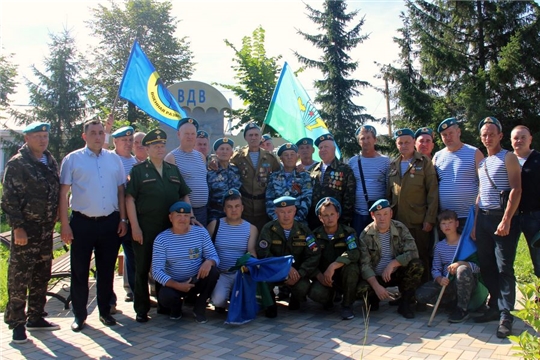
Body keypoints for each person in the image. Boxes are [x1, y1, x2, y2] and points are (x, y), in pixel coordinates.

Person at [59, 119, 128, 332]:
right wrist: (64, 224)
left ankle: (105, 312)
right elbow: (63, 194)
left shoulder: (114, 160)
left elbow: (120, 191)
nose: (98, 136)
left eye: (101, 133)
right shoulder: (72, 159)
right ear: (85, 136)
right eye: (93, 133)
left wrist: (123, 219)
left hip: (109, 222)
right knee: (79, 271)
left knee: (106, 271)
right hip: (82, 223)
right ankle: (80, 315)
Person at [2, 122, 60, 343]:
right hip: (26, 230)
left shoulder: (49, 160)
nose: (43, 140)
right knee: (20, 277)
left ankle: (36, 316)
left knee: (41, 274)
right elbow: (9, 199)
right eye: (38, 136)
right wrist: (17, 227)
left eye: (45, 136)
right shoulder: (18, 164)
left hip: (45, 229)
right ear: (27, 139)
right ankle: (17, 323)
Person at [126, 129, 192, 323]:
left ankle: (165, 305)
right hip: (146, 228)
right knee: (142, 268)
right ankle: (141, 308)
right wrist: (135, 227)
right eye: (155, 146)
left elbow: (184, 194)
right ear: (147, 149)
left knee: (167, 267)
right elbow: (129, 199)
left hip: (169, 229)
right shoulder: (138, 171)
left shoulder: (173, 169)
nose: (160, 149)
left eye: (162, 145)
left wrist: (189, 216)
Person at [472, 116, 521, 339]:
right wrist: (475, 225)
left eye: (492, 134)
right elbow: (481, 194)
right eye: (484, 134)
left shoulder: (508, 157)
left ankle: (506, 315)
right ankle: (494, 306)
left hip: (502, 219)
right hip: (483, 219)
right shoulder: (482, 162)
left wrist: (507, 219)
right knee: (487, 264)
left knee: (504, 267)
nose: (488, 138)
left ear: (501, 135)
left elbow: (516, 190)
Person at [152, 201, 220, 323]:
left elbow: (214, 256)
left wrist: (209, 262)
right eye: (178, 215)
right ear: (170, 217)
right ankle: (176, 309)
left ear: (190, 217)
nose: (182, 219)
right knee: (166, 297)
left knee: (213, 272)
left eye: (186, 215)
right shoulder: (162, 239)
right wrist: (177, 285)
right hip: (174, 284)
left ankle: (199, 308)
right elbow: (156, 271)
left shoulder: (200, 232)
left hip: (196, 280)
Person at [357, 199, 424, 319]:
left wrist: (394, 263)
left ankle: (405, 303)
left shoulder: (400, 228)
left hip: (396, 272)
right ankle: (376, 298)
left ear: (391, 214)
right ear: (372, 215)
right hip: (377, 276)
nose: (382, 218)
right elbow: (364, 265)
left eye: (385, 214)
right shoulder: (365, 235)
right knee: (362, 290)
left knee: (416, 265)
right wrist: (377, 287)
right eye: (378, 215)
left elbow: (413, 252)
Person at [388, 128, 438, 283]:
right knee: (400, 257)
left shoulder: (424, 162)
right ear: (397, 145)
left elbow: (432, 192)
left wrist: (429, 219)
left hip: (418, 221)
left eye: (407, 142)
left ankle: (422, 296)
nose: (404, 146)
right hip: (398, 221)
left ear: (413, 143)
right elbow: (389, 194)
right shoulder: (393, 165)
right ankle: (404, 296)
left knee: (421, 256)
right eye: (400, 143)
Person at [256, 196, 320, 317]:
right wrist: (285, 268)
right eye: (282, 212)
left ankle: (296, 297)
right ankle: (270, 302)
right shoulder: (268, 229)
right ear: (276, 212)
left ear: (295, 211)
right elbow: (263, 253)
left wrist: (300, 273)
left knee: (303, 287)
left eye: (289, 211)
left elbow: (313, 255)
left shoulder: (303, 230)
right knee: (262, 282)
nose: (286, 215)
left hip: (296, 273)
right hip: (274, 271)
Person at [416, 210, 481, 323]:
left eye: (450, 222)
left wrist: (460, 264)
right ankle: (450, 302)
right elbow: (435, 268)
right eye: (443, 223)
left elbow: (477, 268)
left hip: (466, 282)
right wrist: (439, 278)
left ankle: (462, 309)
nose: (447, 226)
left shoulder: (467, 244)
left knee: (462, 270)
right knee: (420, 295)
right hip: (447, 283)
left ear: (456, 224)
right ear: (440, 227)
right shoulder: (439, 247)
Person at [309, 197, 360, 320]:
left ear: (338, 215)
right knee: (316, 293)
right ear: (320, 218)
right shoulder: (314, 236)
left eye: (332, 214)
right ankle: (329, 298)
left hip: (344, 275)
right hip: (325, 277)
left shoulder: (348, 232)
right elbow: (309, 259)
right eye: (325, 215)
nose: (329, 218)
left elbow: (354, 253)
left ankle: (347, 305)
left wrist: (334, 265)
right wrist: (319, 276)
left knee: (352, 268)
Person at [207, 189, 258, 312]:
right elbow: (206, 250)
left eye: (237, 206)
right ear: (224, 209)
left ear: (242, 208)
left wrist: (250, 265)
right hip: (221, 274)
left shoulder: (251, 228)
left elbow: (251, 251)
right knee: (218, 302)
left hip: (240, 273)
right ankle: (224, 297)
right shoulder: (214, 225)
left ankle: (235, 298)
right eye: (229, 207)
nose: (233, 210)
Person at [433, 118, 484, 232]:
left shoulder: (474, 152)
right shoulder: (437, 156)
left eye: (451, 133)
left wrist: (477, 213)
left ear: (459, 132)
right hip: (446, 219)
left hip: (469, 216)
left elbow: (483, 184)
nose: (448, 137)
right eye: (444, 135)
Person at [230, 122, 280, 231]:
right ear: (246, 138)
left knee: (263, 237)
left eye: (256, 135)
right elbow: (226, 168)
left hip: (264, 206)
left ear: (261, 137)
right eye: (250, 135)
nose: (253, 138)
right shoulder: (238, 157)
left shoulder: (270, 157)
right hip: (245, 206)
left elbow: (281, 173)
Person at [165, 117, 209, 226]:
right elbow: (174, 190)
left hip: (203, 210)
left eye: (193, 134)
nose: (190, 137)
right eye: (186, 134)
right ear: (179, 135)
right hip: (183, 213)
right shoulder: (171, 158)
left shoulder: (201, 156)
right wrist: (189, 214)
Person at [111, 126, 137, 305]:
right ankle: (109, 301)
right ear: (115, 142)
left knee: (133, 258)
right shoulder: (109, 159)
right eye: (123, 140)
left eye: (130, 140)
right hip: (112, 217)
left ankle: (136, 294)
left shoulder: (135, 162)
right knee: (107, 260)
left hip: (132, 218)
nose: (128, 144)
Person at [348, 125, 390, 235]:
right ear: (359, 142)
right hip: (358, 214)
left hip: (378, 214)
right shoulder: (353, 161)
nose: (365, 141)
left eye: (368, 137)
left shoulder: (385, 161)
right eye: (362, 138)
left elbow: (389, 186)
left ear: (375, 139)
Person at [309, 133, 356, 229]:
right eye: (320, 148)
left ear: (334, 149)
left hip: (336, 222)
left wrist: (343, 221)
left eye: (326, 146)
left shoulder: (345, 169)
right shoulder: (313, 169)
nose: (323, 150)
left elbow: (349, 198)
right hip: (315, 221)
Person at [511, 125, 540, 279]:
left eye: (523, 137)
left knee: (539, 258)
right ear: (510, 141)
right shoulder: (507, 160)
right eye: (516, 138)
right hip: (510, 216)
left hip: (534, 216)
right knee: (505, 259)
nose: (519, 140)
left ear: (530, 139)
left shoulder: (538, 160)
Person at [266, 143, 313, 224]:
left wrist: (296, 220)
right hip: (277, 222)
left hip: (299, 222)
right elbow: (269, 200)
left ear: (297, 157)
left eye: (292, 154)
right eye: (286, 155)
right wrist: (276, 219)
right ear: (281, 158)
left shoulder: (305, 176)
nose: (289, 157)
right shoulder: (273, 177)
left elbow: (307, 200)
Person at [207, 137, 242, 222]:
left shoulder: (236, 170)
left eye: (227, 149)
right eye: (221, 149)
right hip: (216, 215)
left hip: (235, 214)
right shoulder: (210, 172)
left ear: (231, 153)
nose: (224, 151)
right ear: (216, 152)